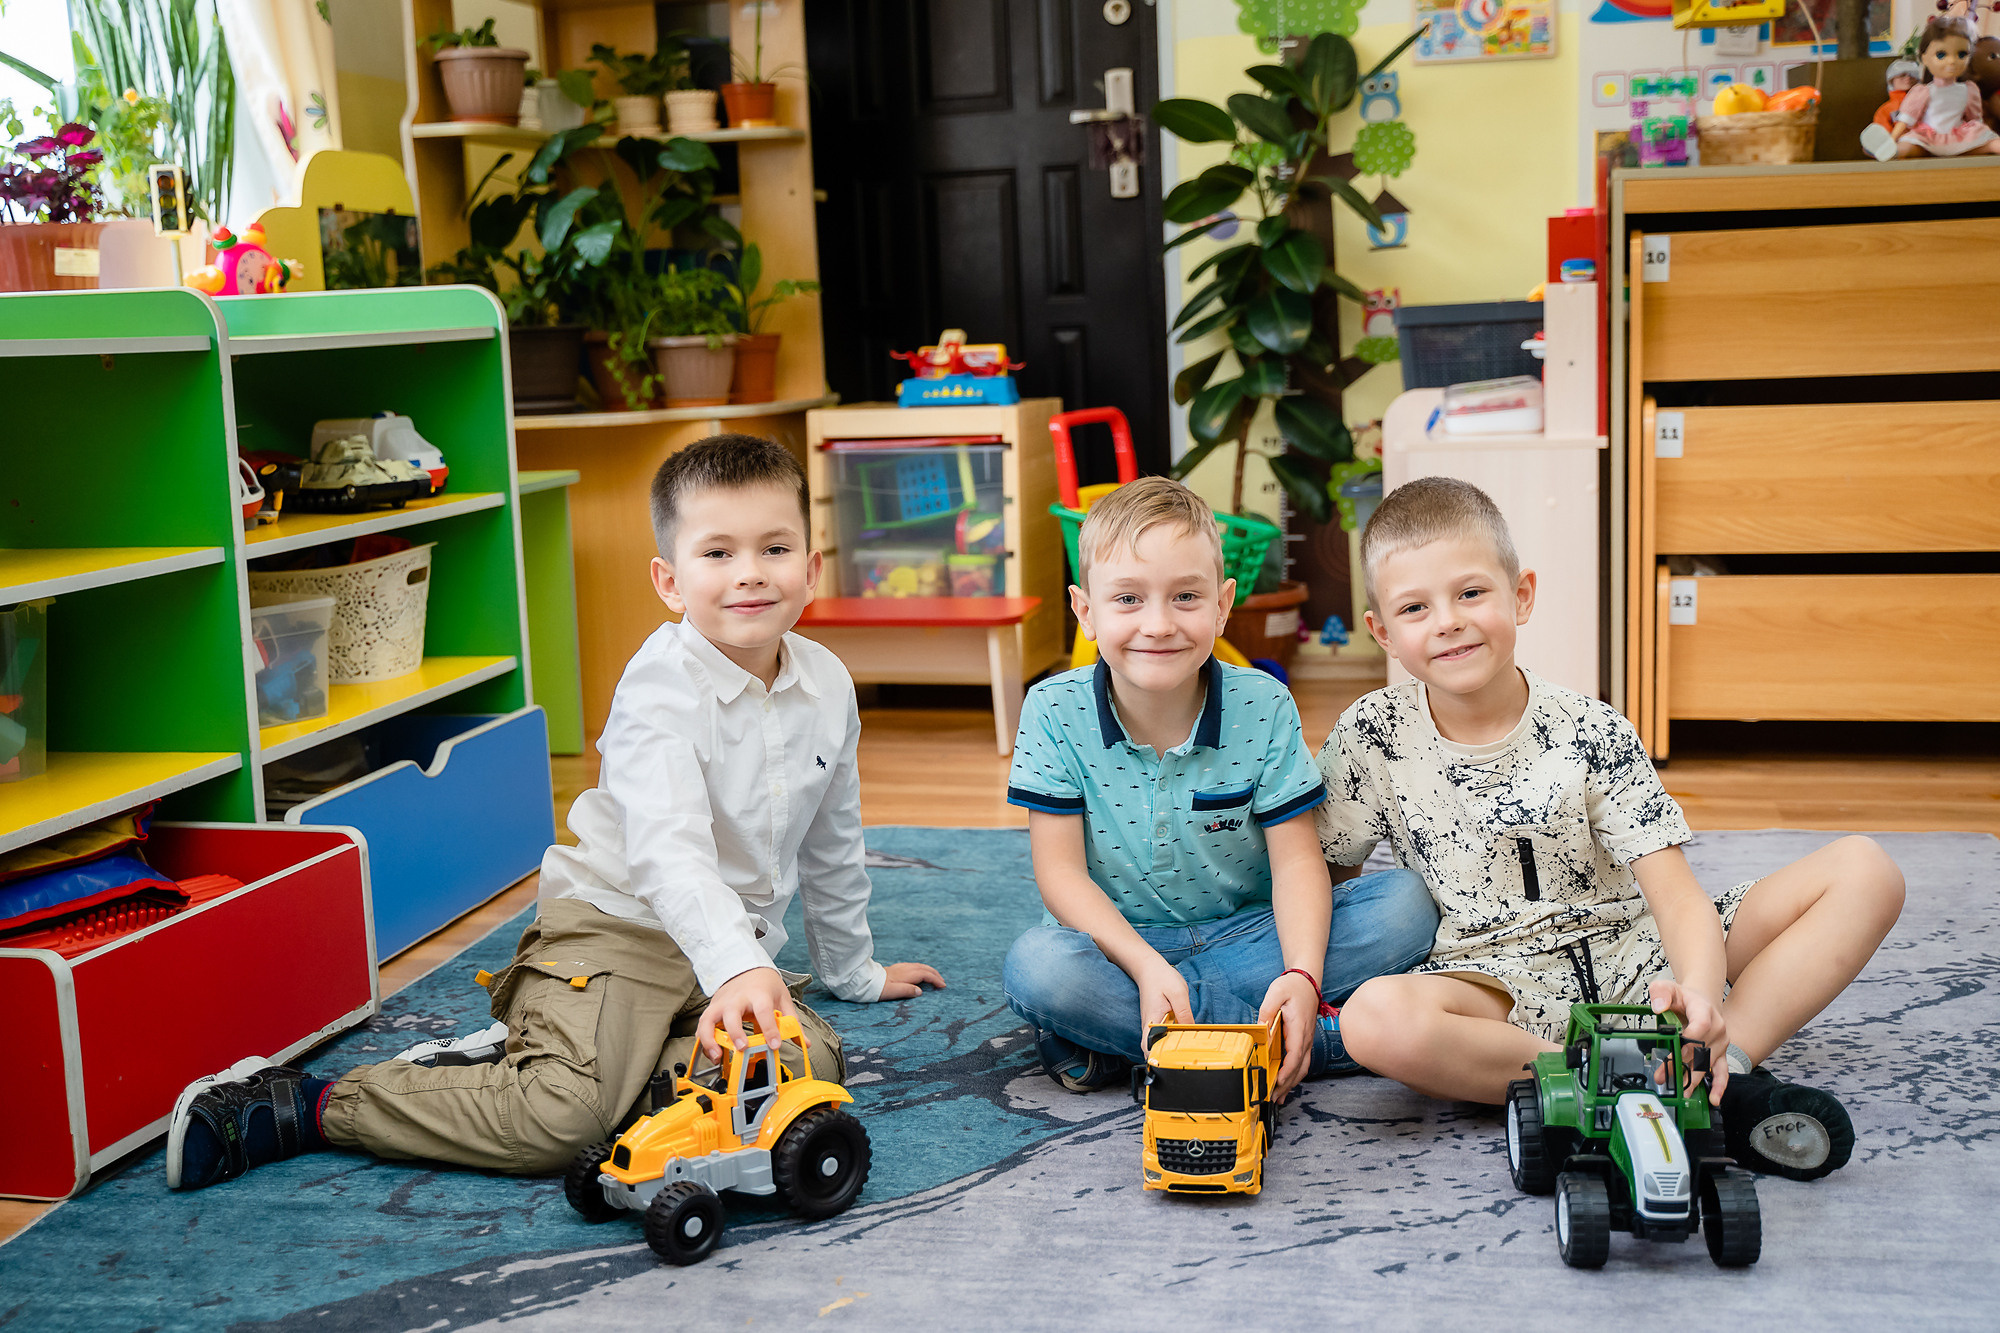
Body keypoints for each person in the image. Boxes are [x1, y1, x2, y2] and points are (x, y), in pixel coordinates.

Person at [166, 434, 945, 1189]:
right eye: (718, 553)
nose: (750, 574)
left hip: (728, 950)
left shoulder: (829, 682)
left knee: (808, 1067)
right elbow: (668, 853)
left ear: (810, 570)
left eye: (775, 550)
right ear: (670, 581)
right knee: (562, 1122)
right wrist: (742, 967)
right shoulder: (658, 690)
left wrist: (851, 971)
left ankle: (577, 1062)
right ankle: (316, 1104)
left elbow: (834, 837)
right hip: (615, 929)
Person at [1316, 477, 1904, 1180]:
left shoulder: (1590, 729)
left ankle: (1718, 1063)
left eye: (1471, 593)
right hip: (1495, 986)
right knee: (1373, 1018)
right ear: (1382, 629)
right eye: (1416, 606)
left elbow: (1678, 897)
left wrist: (1697, 992)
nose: (1448, 620)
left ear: (1521, 595)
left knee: (1867, 869)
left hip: (1637, 954)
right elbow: (1331, 887)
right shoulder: (1368, 736)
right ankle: (1624, 1081)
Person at [1001, 477, 1438, 1100]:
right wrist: (1147, 967)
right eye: (1127, 598)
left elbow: (1296, 864)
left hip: (1253, 937)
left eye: (1185, 597)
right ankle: (1306, 1042)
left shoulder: (1263, 702)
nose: (1158, 624)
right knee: (1037, 967)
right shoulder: (1051, 709)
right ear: (1084, 610)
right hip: (1119, 951)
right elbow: (1061, 876)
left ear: (1222, 605)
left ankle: (1138, 1044)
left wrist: (1302, 977)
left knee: (1405, 904)